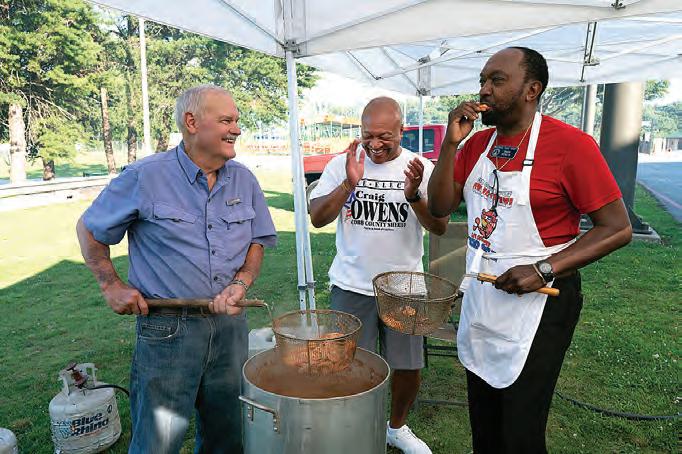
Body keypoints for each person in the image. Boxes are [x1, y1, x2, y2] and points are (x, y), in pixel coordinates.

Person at [427, 47, 633, 453]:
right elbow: (438, 206)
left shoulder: (571, 146)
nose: (484, 90)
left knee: (520, 430)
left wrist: (542, 269)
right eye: (482, 80)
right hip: (484, 297)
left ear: (531, 89)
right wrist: (450, 145)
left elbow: (617, 228)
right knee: (484, 421)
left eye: (497, 80)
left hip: (542, 302)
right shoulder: (476, 144)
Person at [76, 84, 277, 454]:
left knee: (228, 436)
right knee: (158, 441)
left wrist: (242, 282)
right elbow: (90, 229)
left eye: (236, 121)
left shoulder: (244, 179)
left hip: (230, 328)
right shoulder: (146, 176)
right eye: (226, 121)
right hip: (167, 329)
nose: (236, 129)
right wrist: (110, 284)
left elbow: (257, 240)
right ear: (192, 122)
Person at [309, 97, 448, 454]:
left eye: (384, 136)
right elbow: (317, 217)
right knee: (348, 365)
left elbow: (439, 226)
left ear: (402, 130)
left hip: (404, 286)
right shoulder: (344, 163)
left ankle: (396, 427)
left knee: (408, 366)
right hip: (352, 284)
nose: (374, 144)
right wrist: (348, 184)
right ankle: (355, 428)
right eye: (368, 135)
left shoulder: (421, 167)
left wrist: (414, 196)